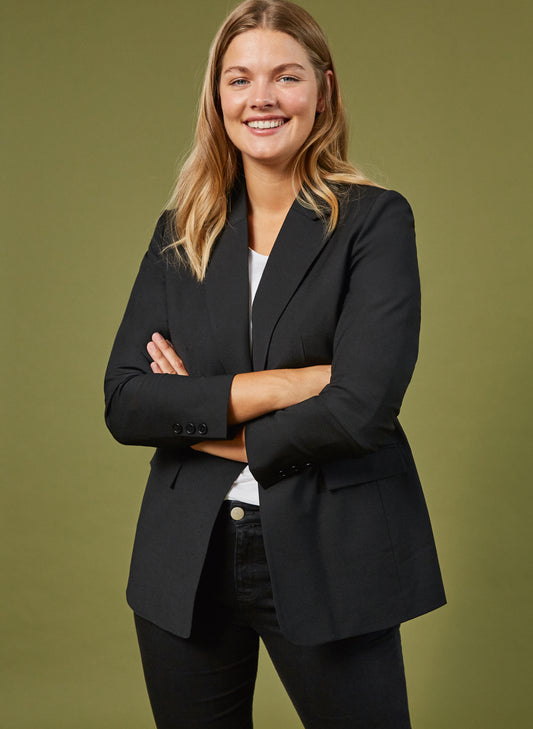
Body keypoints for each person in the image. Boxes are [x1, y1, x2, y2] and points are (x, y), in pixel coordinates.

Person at [104, 1, 446, 726]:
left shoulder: (374, 220)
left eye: (285, 77)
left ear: (323, 91)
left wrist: (197, 417)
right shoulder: (181, 231)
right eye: (240, 79)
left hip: (332, 552)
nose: (261, 98)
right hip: (185, 557)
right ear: (217, 97)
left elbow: (358, 411)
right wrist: (291, 383)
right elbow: (127, 402)